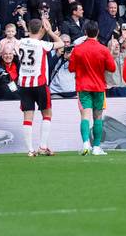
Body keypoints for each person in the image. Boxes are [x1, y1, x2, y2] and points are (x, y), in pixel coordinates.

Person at [16, 16, 65, 156]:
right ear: (41, 29)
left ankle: (30, 150)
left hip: (24, 84)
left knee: (27, 116)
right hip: (39, 83)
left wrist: (39, 30)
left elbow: (31, 37)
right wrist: (49, 31)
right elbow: (61, 43)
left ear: (29, 29)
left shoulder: (20, 42)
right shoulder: (43, 45)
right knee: (47, 114)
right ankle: (42, 146)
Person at [68, 19, 116, 155]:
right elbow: (112, 68)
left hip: (83, 87)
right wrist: (109, 55)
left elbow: (71, 68)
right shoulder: (103, 49)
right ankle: (96, 147)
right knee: (98, 117)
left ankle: (85, 144)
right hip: (99, 87)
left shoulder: (77, 50)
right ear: (98, 32)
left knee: (84, 116)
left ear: (84, 32)